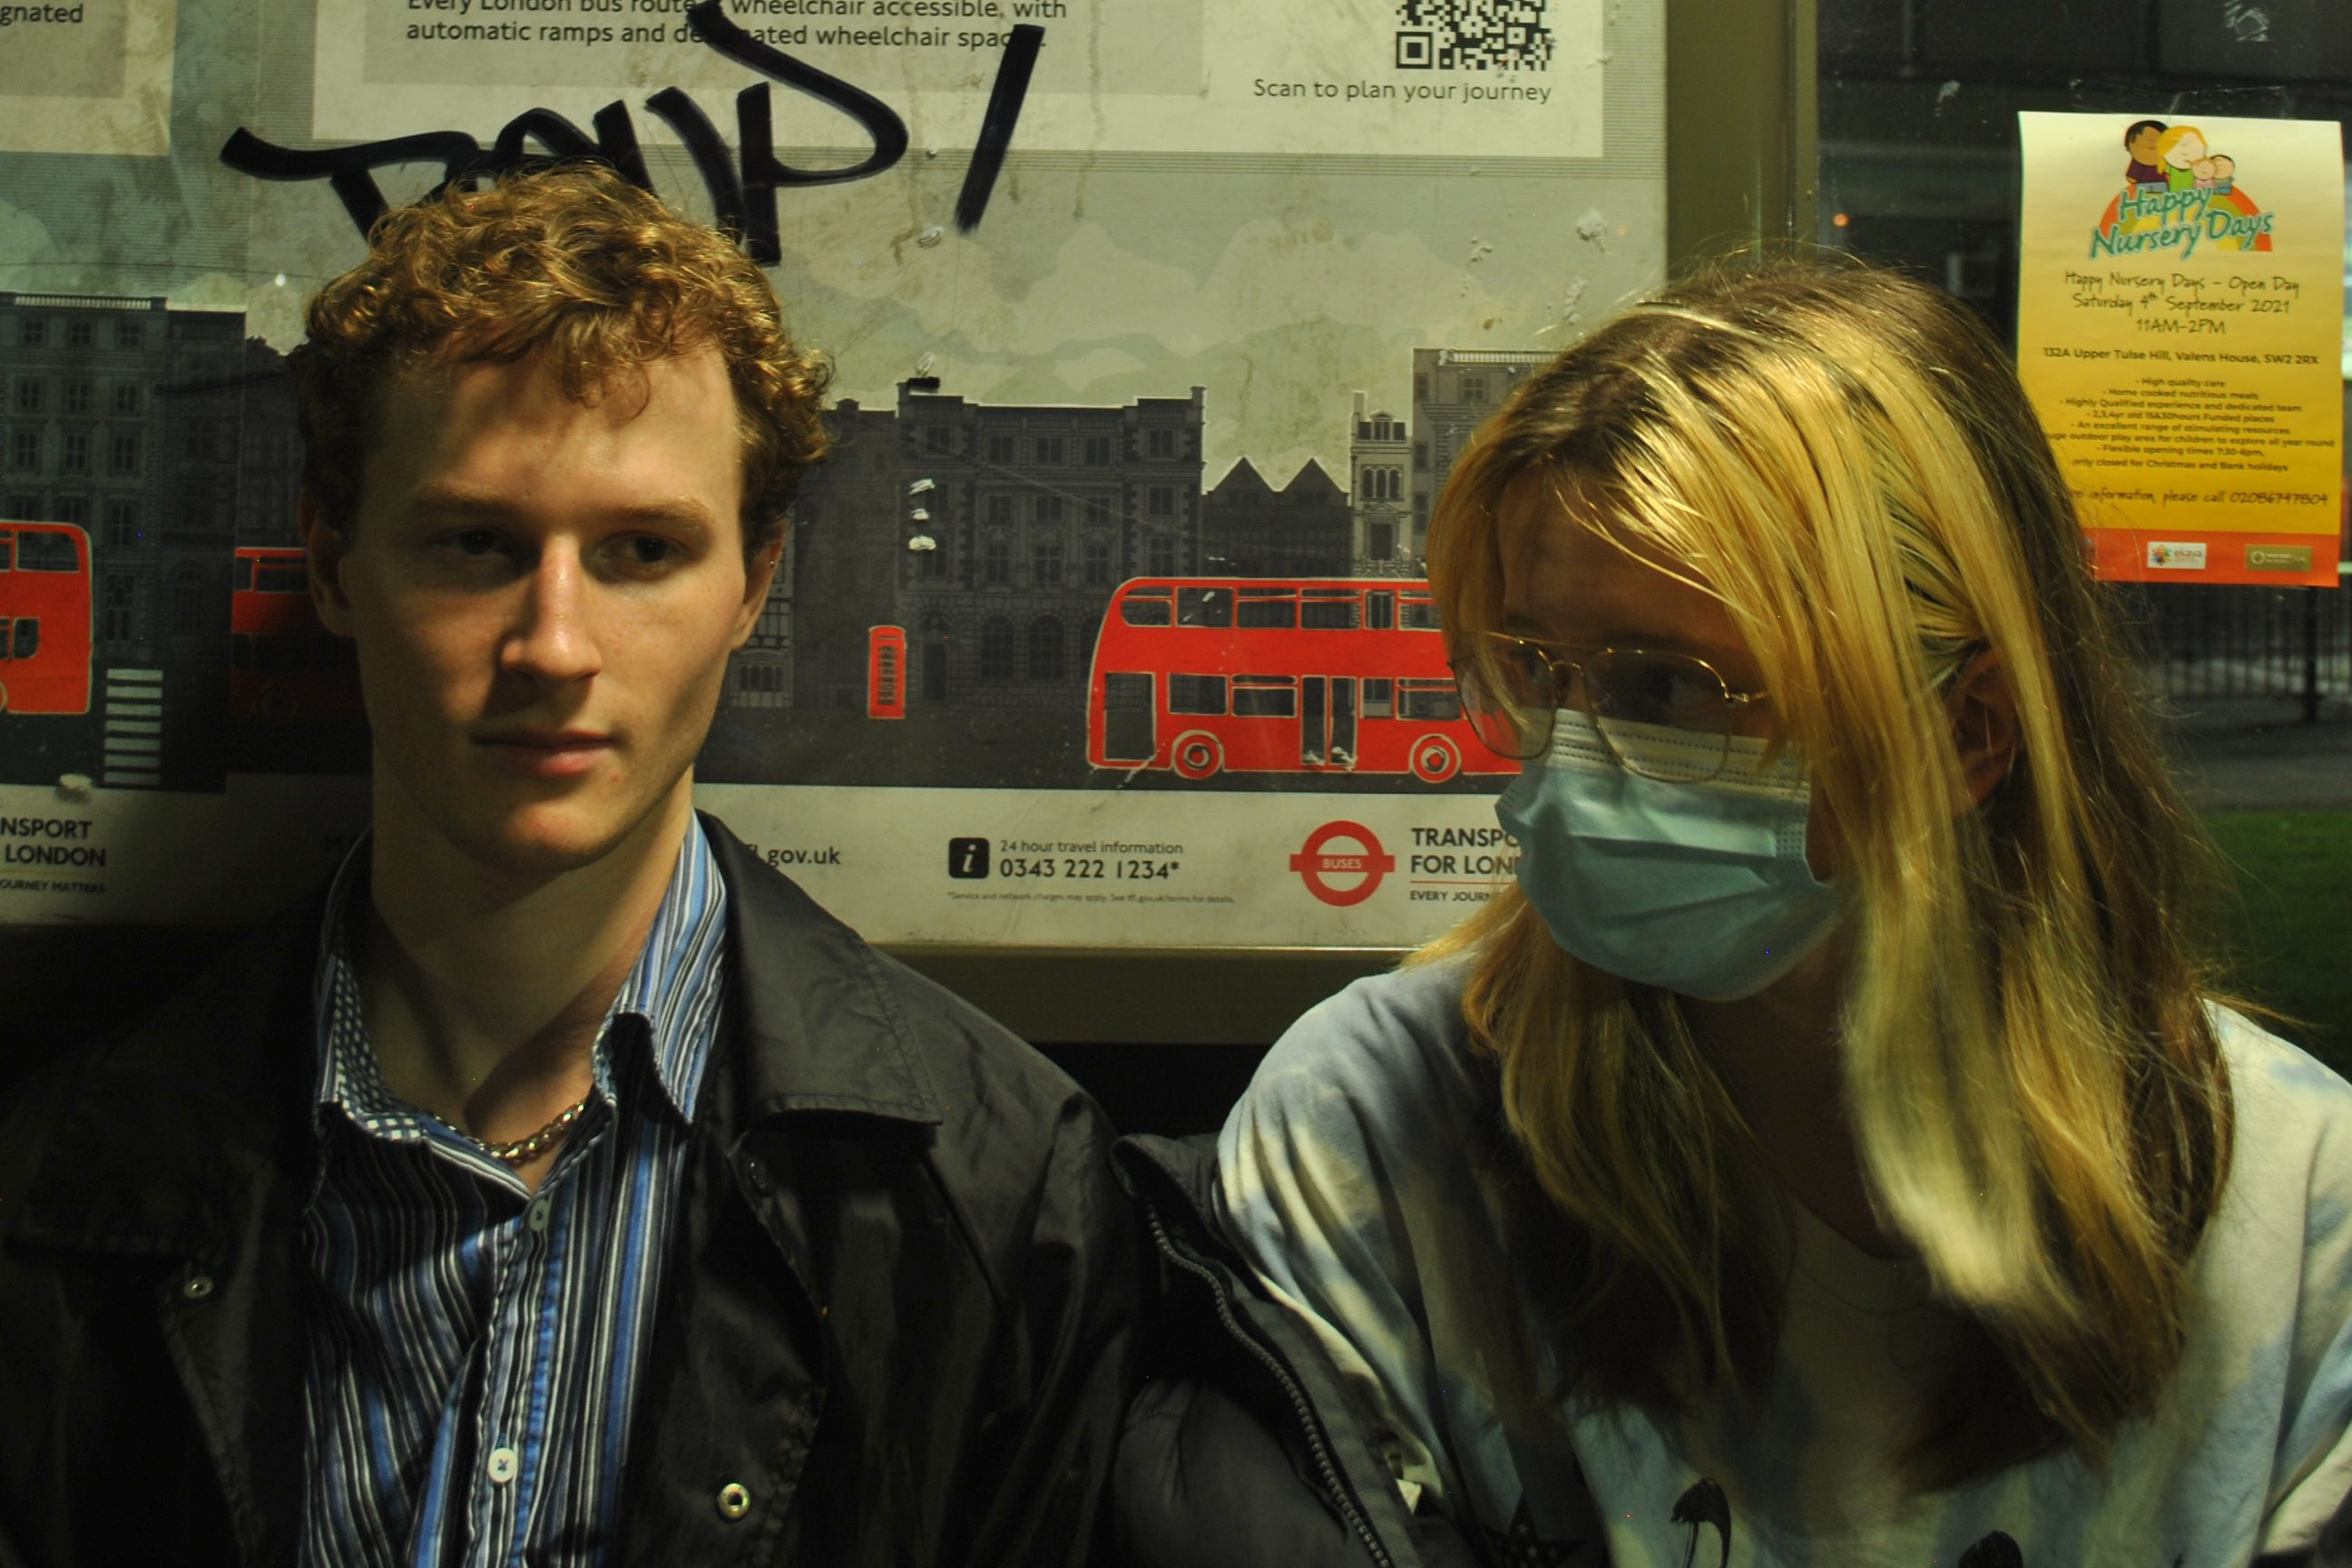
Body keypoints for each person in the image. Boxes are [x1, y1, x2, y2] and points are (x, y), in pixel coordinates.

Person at [0, 163, 1137, 1566]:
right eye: (476, 544)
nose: (553, 646)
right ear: (334, 567)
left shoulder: (1005, 1199)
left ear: (753, 585)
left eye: (643, 550)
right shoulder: (54, 1189)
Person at [1188, 260, 2352, 1563]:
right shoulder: (1375, 1130)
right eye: (1533, 670)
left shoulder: (2300, 1215)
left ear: (1964, 733)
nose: (1569, 764)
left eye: (1667, 687)